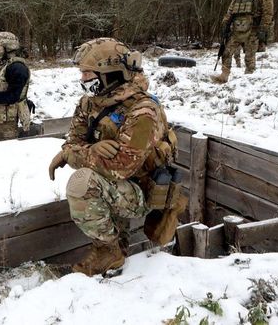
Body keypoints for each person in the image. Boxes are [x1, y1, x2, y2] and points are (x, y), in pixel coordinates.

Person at [48, 38, 183, 277]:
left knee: (82, 183)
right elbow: (73, 141)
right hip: (115, 184)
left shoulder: (143, 111)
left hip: (142, 191)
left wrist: (74, 154)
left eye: (88, 74)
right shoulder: (89, 103)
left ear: (111, 74)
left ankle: (107, 251)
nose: (83, 80)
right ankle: (114, 250)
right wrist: (88, 150)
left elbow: (120, 167)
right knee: (90, 176)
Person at [212, 0, 274, 84]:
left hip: (253, 29)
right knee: (226, 52)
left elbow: (268, 13)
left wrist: (263, 29)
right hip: (236, 29)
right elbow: (230, 10)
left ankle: (248, 79)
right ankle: (224, 75)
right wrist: (225, 24)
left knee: (249, 57)